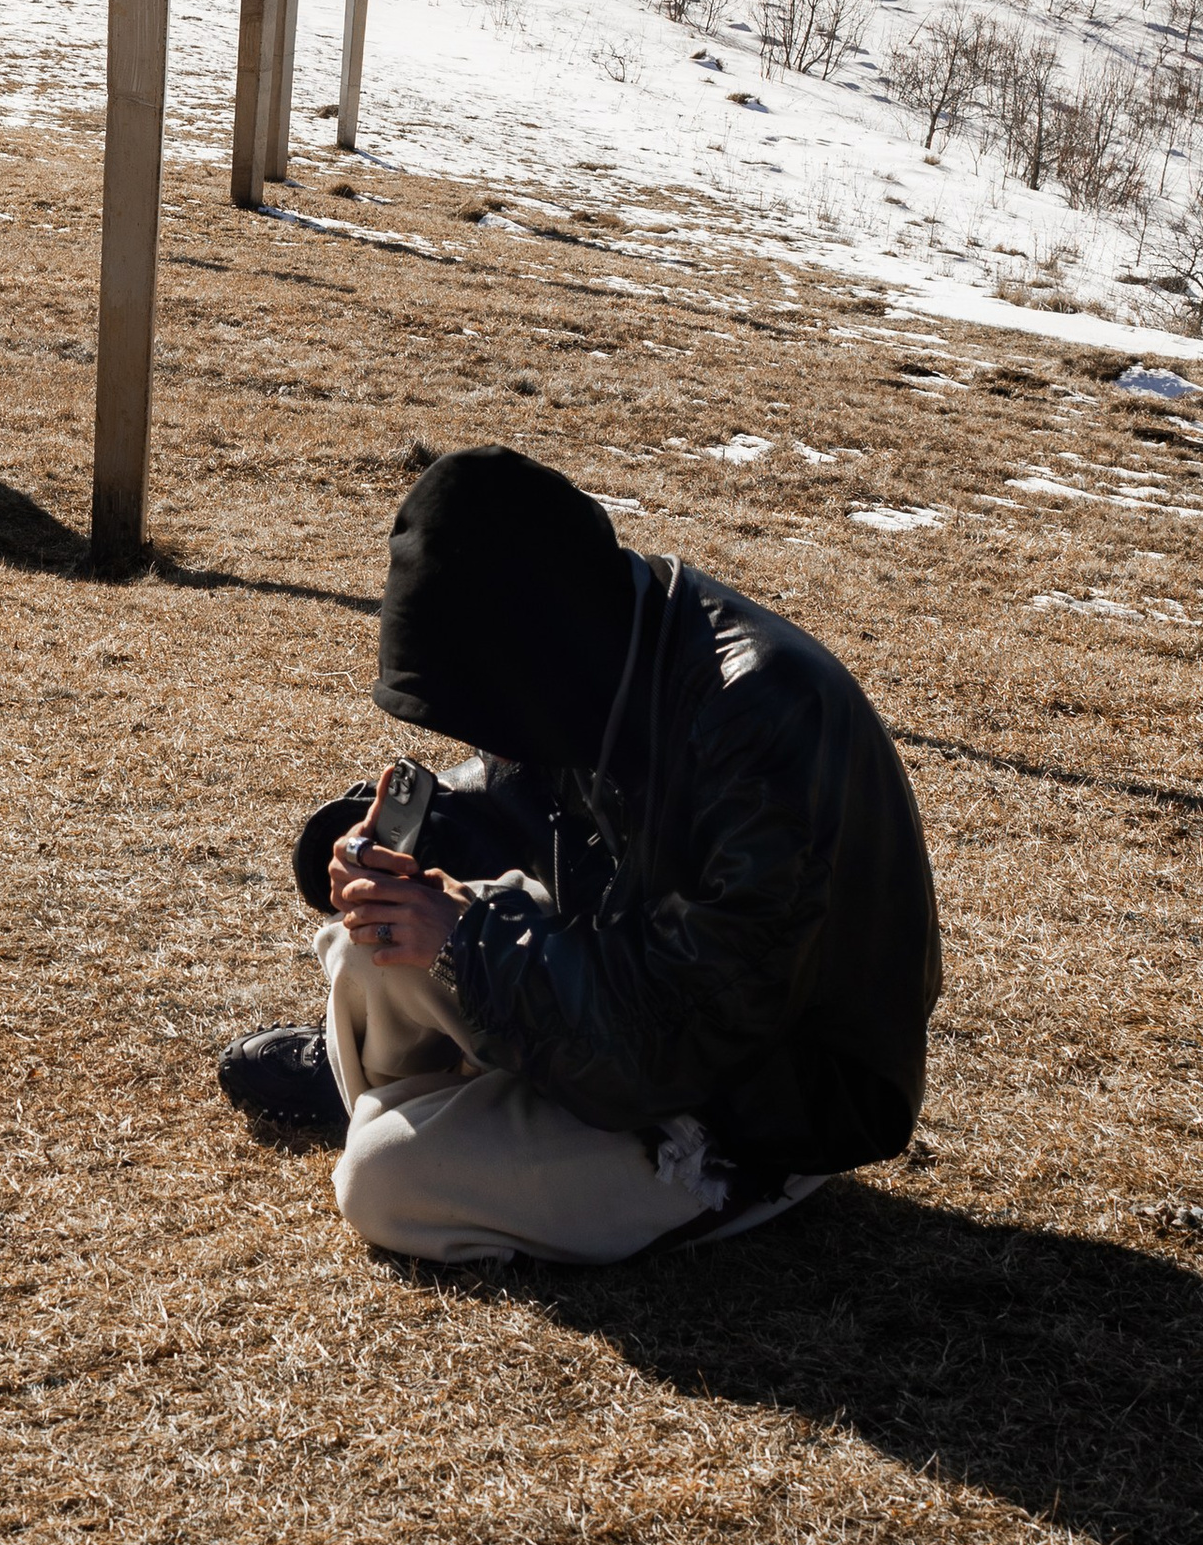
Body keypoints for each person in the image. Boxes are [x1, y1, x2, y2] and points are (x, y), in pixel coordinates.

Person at [216, 446, 941, 1269]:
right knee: (369, 940)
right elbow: (516, 789)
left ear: (533, 654)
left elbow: (690, 1030)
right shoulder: (603, 638)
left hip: (755, 1094)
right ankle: (443, 1108)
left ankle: (708, 1183)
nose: (481, 734)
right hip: (626, 986)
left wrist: (464, 940)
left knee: (383, 1181)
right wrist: (377, 847)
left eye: (483, 704)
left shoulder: (765, 725)